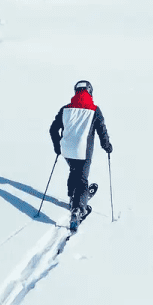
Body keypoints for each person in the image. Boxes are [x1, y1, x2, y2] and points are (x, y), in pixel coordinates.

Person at [49, 80, 112, 230]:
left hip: (67, 150)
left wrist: (57, 147)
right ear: (90, 92)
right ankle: (78, 208)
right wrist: (107, 146)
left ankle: (72, 195)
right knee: (82, 179)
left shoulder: (65, 108)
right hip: (83, 151)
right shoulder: (94, 110)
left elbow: (53, 129)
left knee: (74, 171)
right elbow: (101, 131)